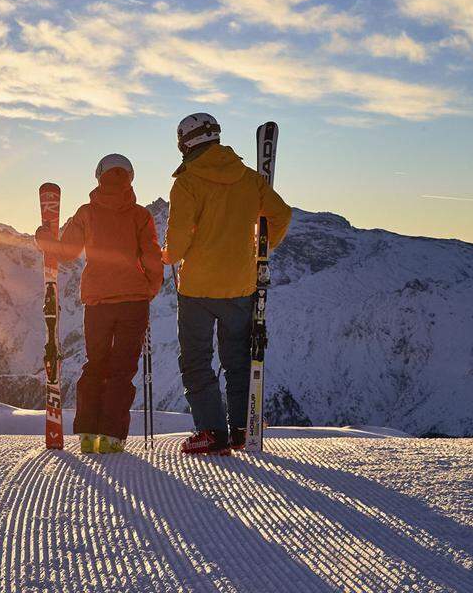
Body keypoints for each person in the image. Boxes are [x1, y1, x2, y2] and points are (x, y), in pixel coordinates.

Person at [164, 113, 292, 455]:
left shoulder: (187, 182)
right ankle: (240, 429)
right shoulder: (250, 179)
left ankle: (211, 432)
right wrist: (260, 251)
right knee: (237, 359)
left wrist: (167, 256)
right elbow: (281, 213)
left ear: (185, 142)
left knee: (196, 360)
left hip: (197, 289)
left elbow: (177, 240)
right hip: (240, 283)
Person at [36, 154, 164, 454]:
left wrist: (43, 238)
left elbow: (66, 252)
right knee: (122, 369)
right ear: (130, 177)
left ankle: (87, 434)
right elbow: (152, 257)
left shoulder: (86, 213)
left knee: (96, 365)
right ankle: (111, 437)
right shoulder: (140, 215)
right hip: (134, 302)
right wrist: (150, 289)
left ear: (98, 176)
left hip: (98, 303)